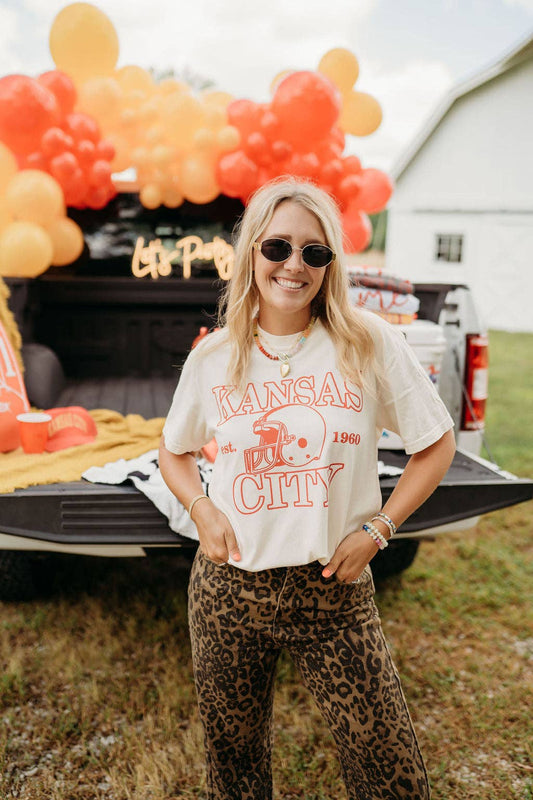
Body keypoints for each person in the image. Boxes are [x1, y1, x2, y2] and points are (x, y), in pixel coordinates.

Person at [159, 176, 456, 800]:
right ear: (252, 254)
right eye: (277, 248)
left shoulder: (366, 341)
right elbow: (175, 450)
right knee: (235, 771)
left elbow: (436, 444)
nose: (294, 266)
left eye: (314, 252)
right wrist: (201, 508)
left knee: (392, 774)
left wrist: (380, 529)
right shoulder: (214, 356)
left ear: (330, 264)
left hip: (333, 592)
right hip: (229, 593)